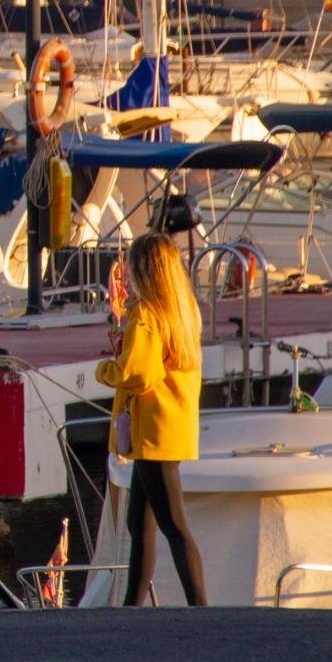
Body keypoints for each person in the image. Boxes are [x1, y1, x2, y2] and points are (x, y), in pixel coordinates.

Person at [98, 232, 207, 606]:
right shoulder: (182, 310)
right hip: (173, 426)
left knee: (173, 525)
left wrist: (105, 371)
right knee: (139, 521)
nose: (125, 272)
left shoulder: (146, 314)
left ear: (143, 268)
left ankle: (199, 606)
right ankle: (133, 604)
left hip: (153, 430)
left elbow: (137, 374)